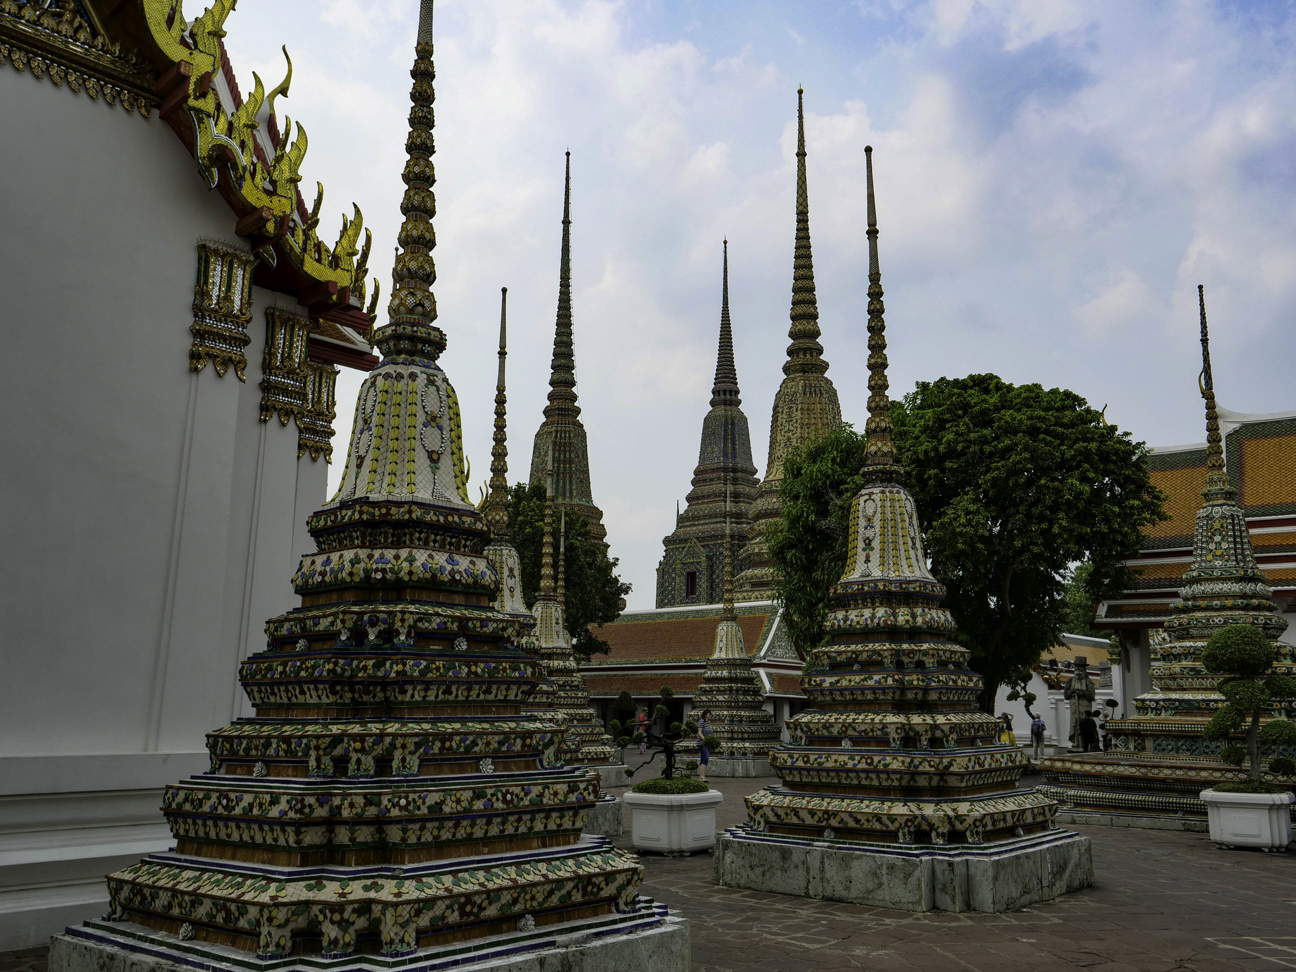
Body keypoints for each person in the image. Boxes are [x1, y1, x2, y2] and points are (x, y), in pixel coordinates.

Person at [1062, 657, 1097, 750]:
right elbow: (1066, 695)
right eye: (1076, 667)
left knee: (1085, 726)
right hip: (1074, 707)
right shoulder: (1070, 681)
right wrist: (1072, 691)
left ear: (1084, 669)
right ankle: (1076, 743)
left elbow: (1092, 696)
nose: (1078, 669)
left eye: (1080, 668)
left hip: (1085, 708)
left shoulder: (1088, 681)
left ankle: (1085, 745)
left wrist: (1081, 692)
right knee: (1074, 725)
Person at [696, 709, 712, 781]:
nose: (710, 715)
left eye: (710, 714)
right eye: (709, 714)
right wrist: (705, 740)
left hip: (707, 743)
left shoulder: (708, 722)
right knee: (705, 758)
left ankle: (701, 777)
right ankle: (702, 777)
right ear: (705, 715)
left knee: (703, 759)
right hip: (702, 743)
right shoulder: (701, 721)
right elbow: (699, 732)